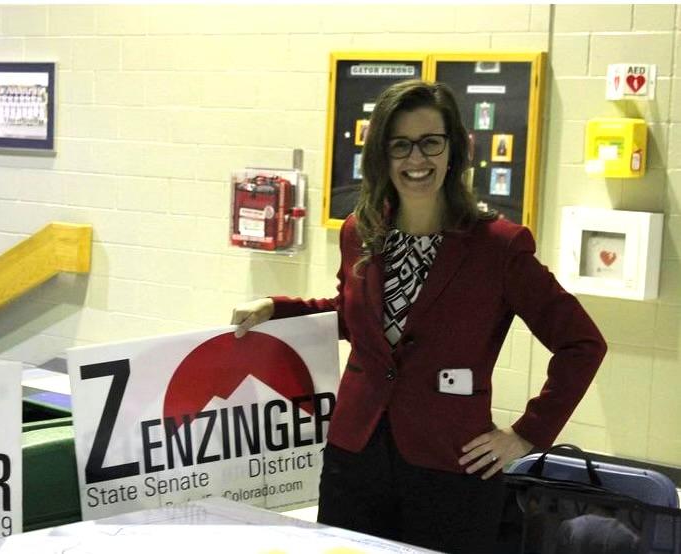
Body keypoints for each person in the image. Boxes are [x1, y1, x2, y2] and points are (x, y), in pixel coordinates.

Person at [230, 80, 606, 554]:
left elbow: (582, 344)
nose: (417, 159)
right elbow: (356, 320)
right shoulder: (360, 230)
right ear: (382, 155)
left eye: (431, 142)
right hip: (355, 456)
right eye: (400, 145)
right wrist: (277, 308)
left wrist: (527, 433)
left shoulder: (499, 246)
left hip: (451, 465)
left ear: (454, 150)